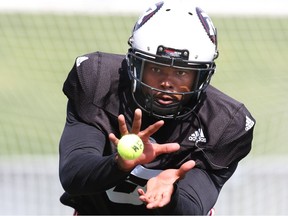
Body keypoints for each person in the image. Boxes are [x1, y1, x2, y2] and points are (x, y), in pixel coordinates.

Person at [59, 1, 256, 215]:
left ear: (201, 76)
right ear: (135, 64)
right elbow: (74, 175)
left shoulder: (223, 123)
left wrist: (171, 196)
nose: (167, 83)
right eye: (156, 68)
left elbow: (192, 207)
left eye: (181, 73)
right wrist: (118, 164)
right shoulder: (99, 84)